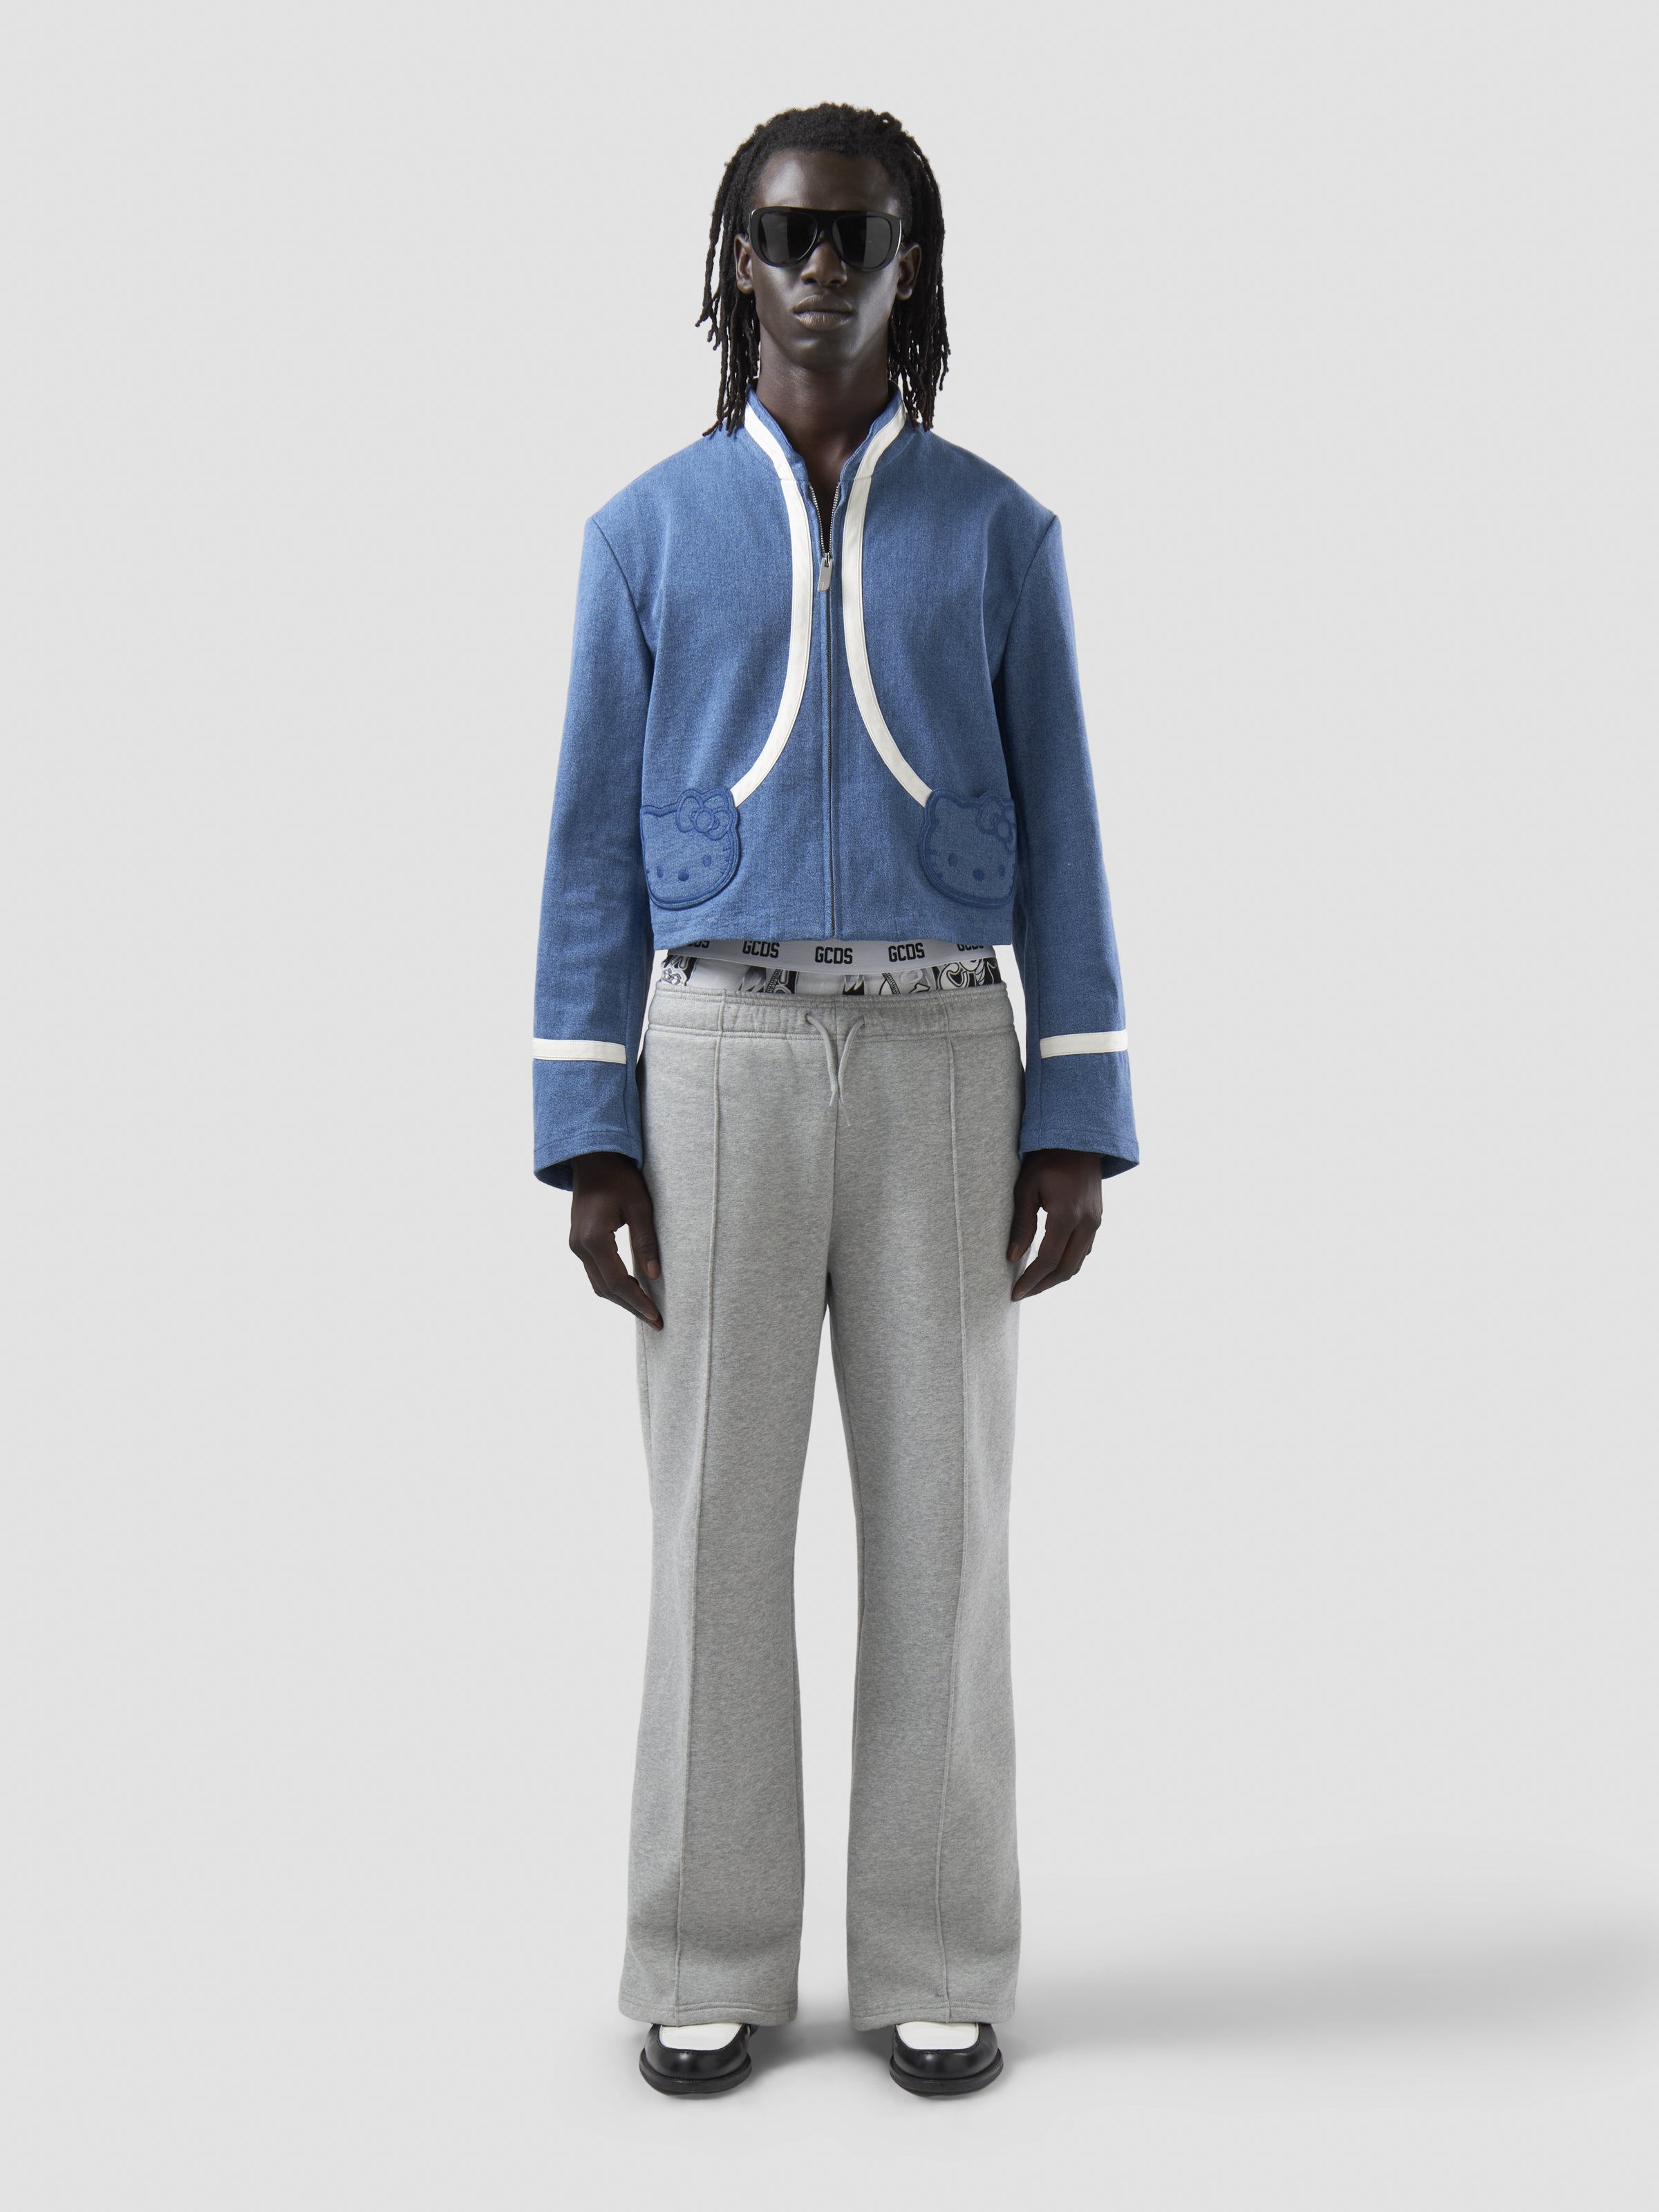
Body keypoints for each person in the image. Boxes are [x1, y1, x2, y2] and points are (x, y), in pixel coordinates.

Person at [531, 102, 1137, 2098]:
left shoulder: (999, 533)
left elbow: (1067, 829)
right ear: (735, 259)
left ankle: (938, 1948)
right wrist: (588, 1126)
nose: (817, 271)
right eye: (785, 235)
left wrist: (1077, 1107)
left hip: (952, 1053)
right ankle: (703, 1947)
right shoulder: (642, 535)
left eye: (855, 239)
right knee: (714, 1521)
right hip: (710, 1056)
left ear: (908, 268)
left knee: (944, 1517)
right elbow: (590, 850)